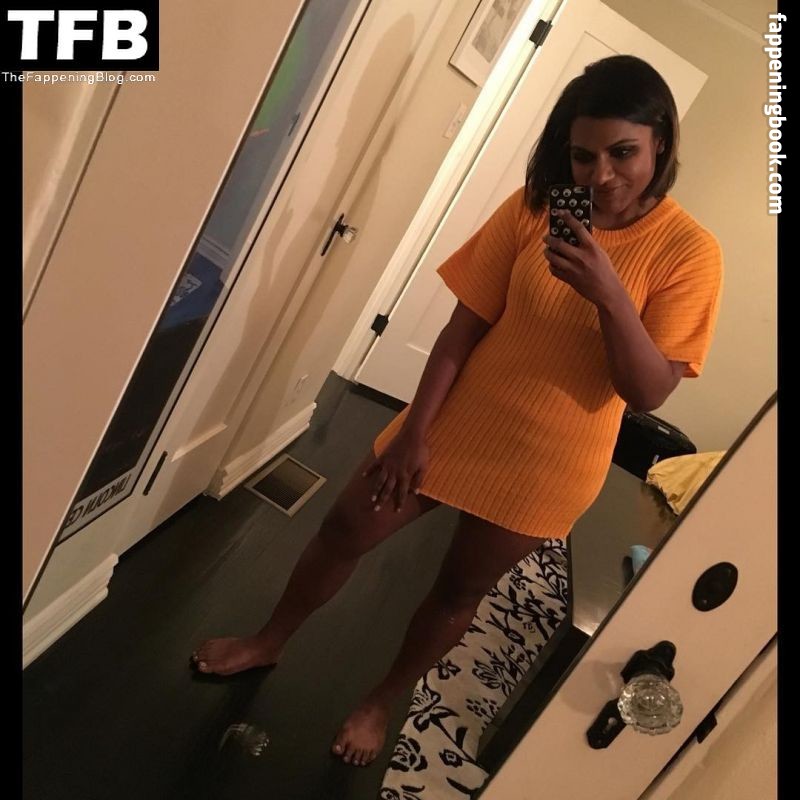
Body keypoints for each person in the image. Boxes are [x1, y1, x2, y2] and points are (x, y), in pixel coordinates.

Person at [191, 55, 723, 767]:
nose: (601, 176)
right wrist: (414, 430)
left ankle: (381, 701)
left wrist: (609, 293)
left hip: (548, 466)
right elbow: (462, 328)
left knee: (457, 591)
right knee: (346, 526)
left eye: (622, 153)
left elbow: (648, 390)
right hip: (456, 422)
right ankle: (268, 640)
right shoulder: (538, 206)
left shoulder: (691, 253)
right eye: (583, 155)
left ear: (660, 141)